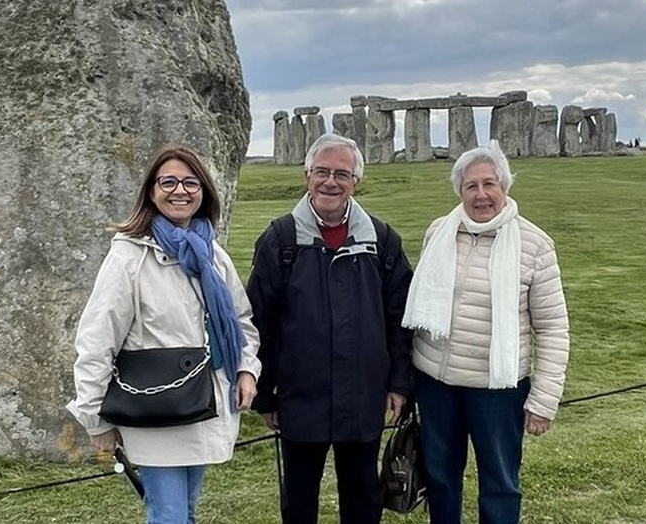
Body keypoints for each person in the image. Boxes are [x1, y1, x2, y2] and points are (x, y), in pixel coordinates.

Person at [67, 144, 261, 524]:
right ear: (151, 191)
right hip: (155, 411)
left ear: (204, 190)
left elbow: (241, 320)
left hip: (206, 403)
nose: (180, 191)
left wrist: (246, 370)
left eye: (190, 182)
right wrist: (96, 419)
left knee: (183, 513)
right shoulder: (129, 258)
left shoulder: (212, 255)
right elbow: (97, 339)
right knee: (170, 516)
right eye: (168, 181)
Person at [246, 133, 413, 524]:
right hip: (301, 395)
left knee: (362, 498)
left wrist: (399, 383)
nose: (330, 182)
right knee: (299, 500)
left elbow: (400, 317)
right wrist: (265, 395)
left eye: (342, 173)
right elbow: (259, 320)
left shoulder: (381, 240)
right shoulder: (281, 239)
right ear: (307, 175)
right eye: (321, 172)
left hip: (363, 392)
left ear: (356, 181)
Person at [402, 140, 570, 524]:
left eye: (489, 184)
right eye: (471, 186)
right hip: (435, 381)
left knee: (499, 480)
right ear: (460, 191)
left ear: (504, 187)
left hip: (498, 389)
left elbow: (553, 326)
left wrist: (544, 400)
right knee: (441, 477)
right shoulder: (438, 232)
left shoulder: (535, 245)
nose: (481, 195)